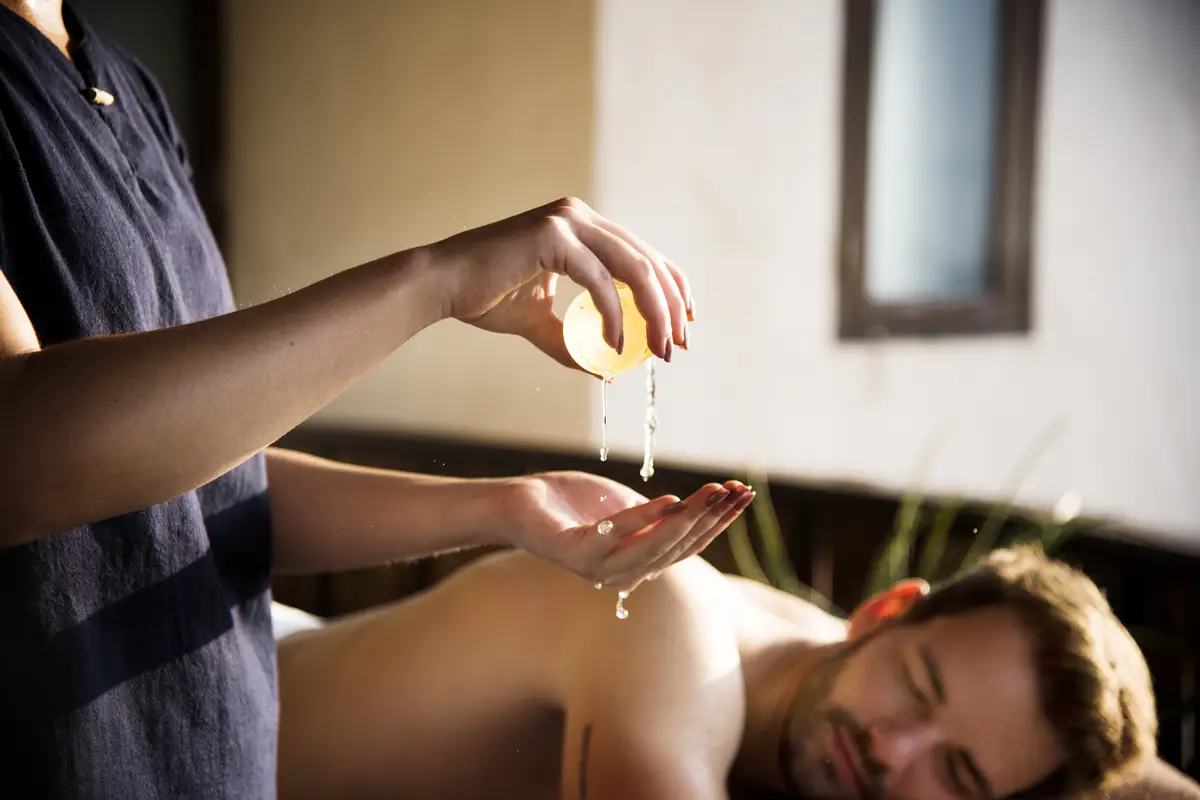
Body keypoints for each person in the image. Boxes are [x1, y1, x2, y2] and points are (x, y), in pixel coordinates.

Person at [0, 2, 743, 796]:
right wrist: (435, 281)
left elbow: (206, 496)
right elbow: (21, 450)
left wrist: (510, 508)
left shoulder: (126, 85)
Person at [273, 540, 1158, 800]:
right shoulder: (672, 628)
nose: (894, 748)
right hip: (180, 716)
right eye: (919, 687)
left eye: (956, 772)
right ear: (883, 611)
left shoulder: (830, 694)